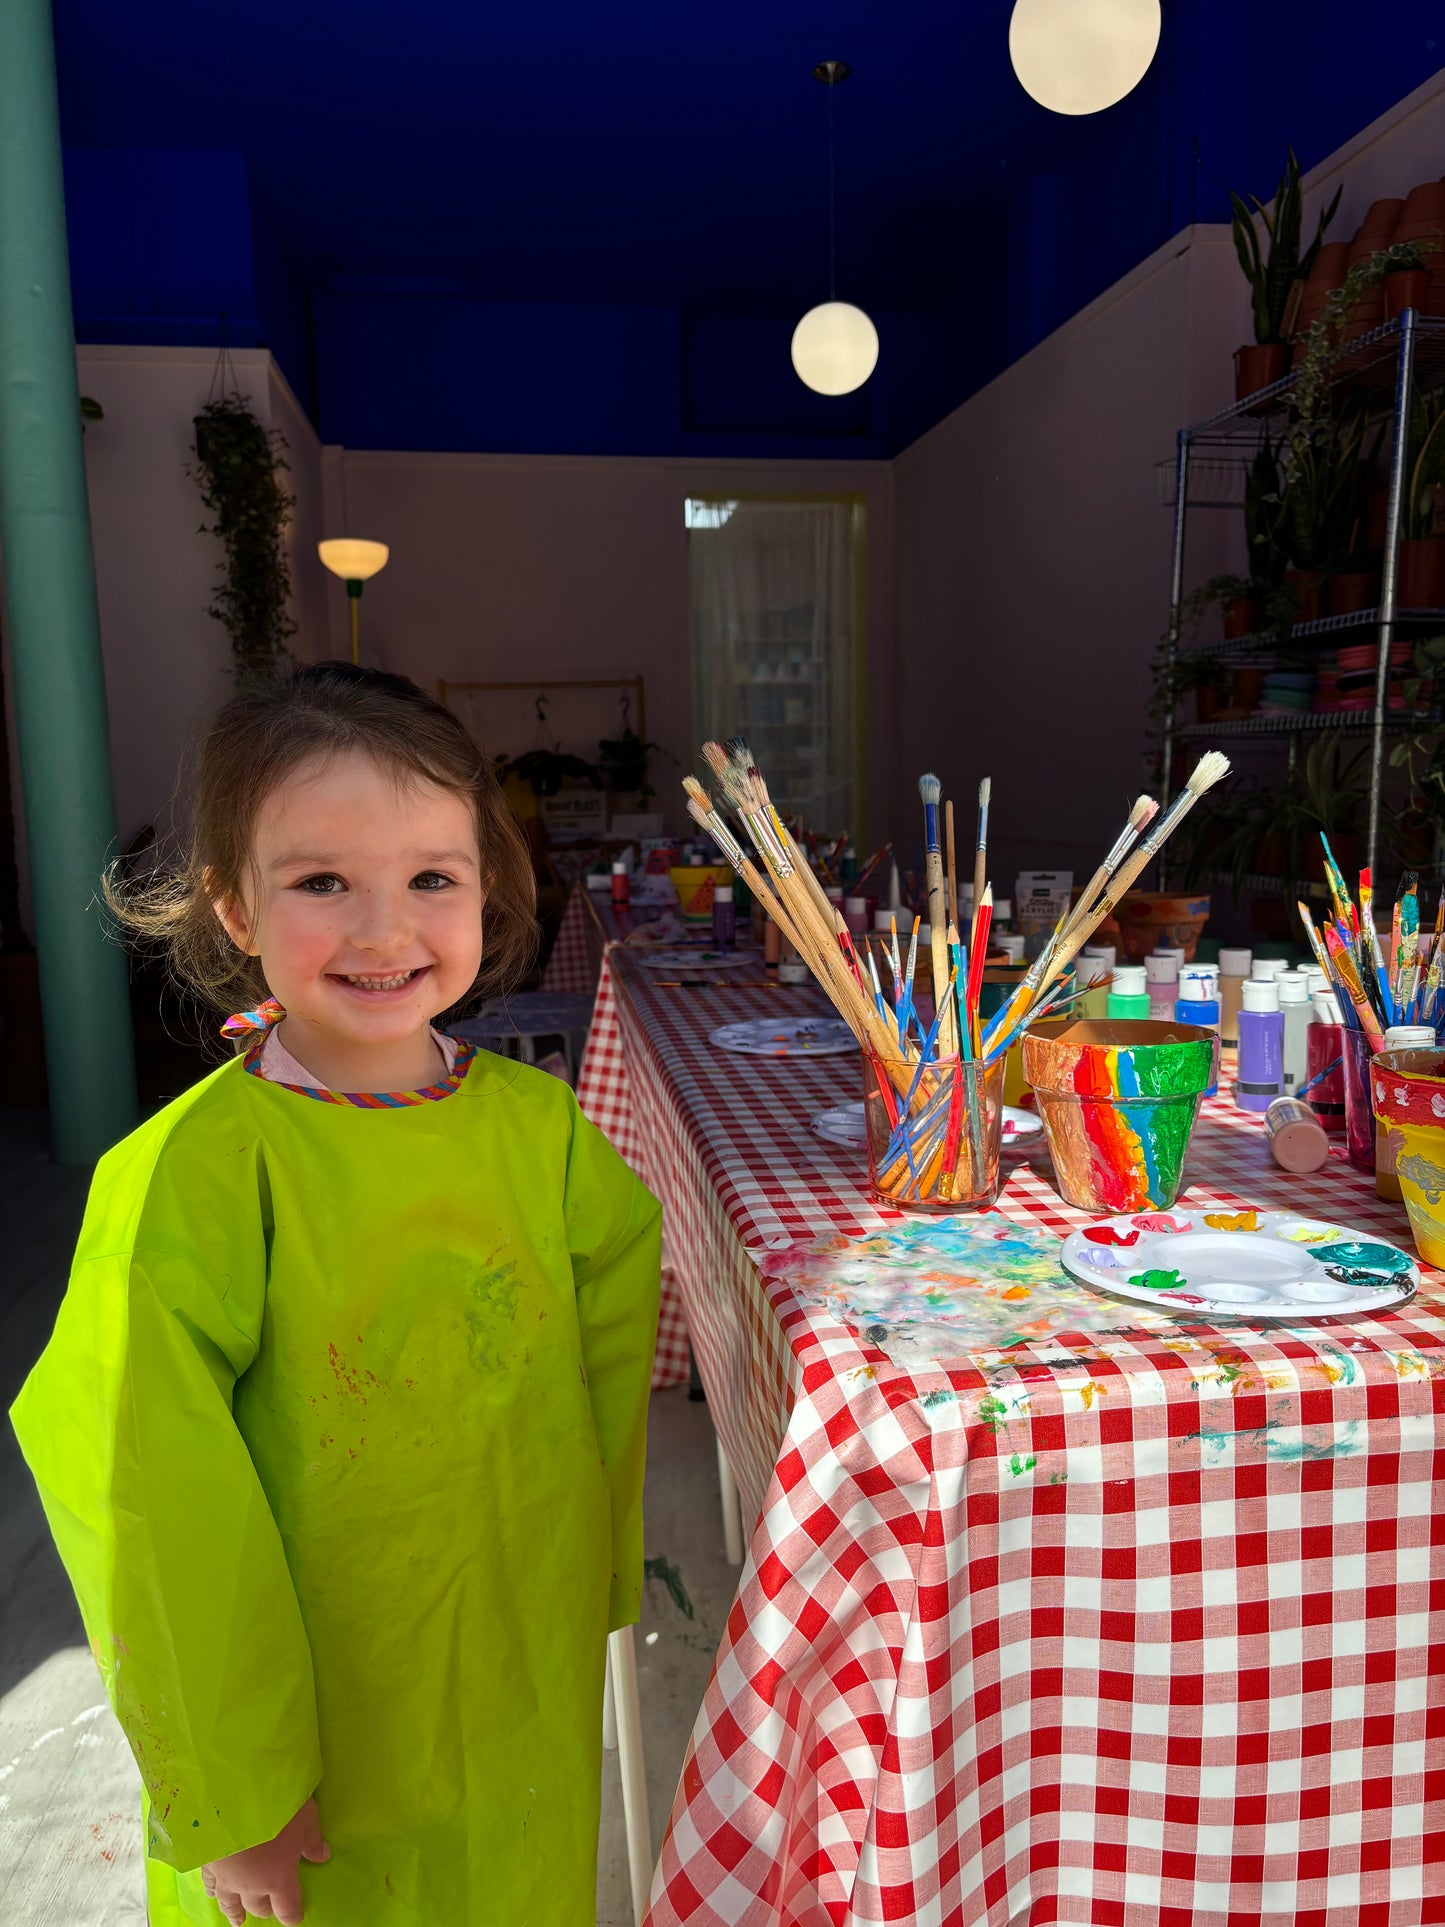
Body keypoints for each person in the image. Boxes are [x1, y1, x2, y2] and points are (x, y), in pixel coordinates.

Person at [11, 663, 661, 1927]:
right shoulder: (195, 1176)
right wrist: (234, 1791)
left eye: (432, 877)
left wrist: (592, 1580)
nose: (383, 930)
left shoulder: (536, 1124)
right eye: (322, 882)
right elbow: (143, 1494)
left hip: (510, 1682)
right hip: (310, 1735)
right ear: (232, 906)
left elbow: (604, 1349)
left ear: (489, 885)